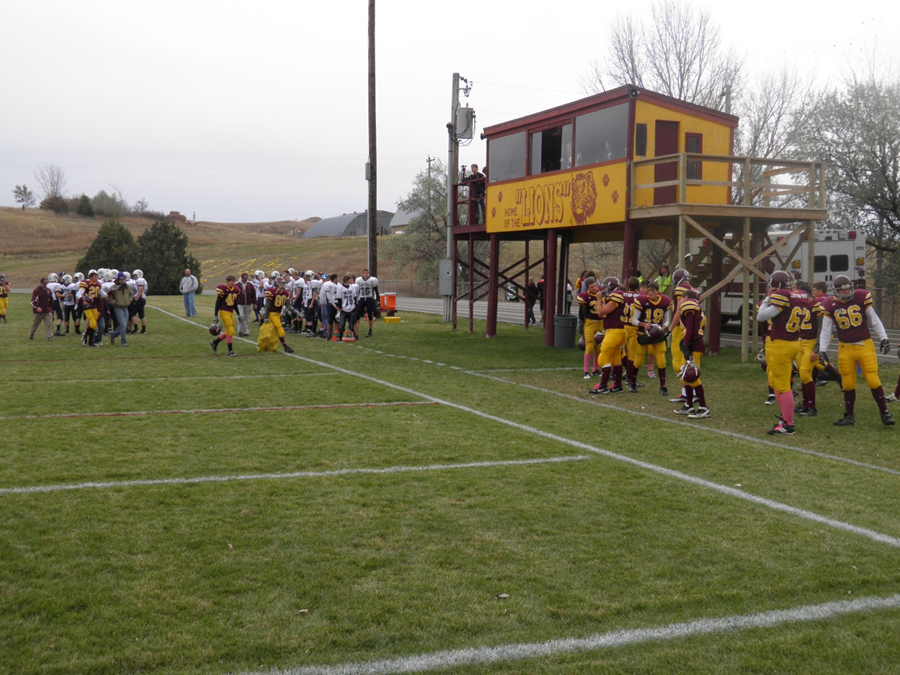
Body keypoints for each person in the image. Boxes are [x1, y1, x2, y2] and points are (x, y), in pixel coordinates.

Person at [817, 274, 894, 427]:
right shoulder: (830, 304)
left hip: (864, 345)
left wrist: (884, 338)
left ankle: (885, 412)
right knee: (847, 383)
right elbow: (826, 330)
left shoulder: (860, 297)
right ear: (835, 291)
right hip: (845, 348)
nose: (846, 292)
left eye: (848, 289)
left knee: (872, 379)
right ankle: (849, 416)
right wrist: (822, 350)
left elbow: (874, 320)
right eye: (842, 290)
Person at [756, 271, 804, 435]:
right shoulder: (797, 296)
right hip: (792, 342)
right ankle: (785, 418)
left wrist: (768, 298)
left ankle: (788, 424)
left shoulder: (781, 297)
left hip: (782, 344)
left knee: (783, 386)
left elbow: (761, 316)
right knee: (775, 381)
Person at [631, 281, 673, 396]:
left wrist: (664, 327)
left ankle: (663, 386)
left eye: (653, 291)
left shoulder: (665, 302)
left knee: (661, 360)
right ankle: (632, 382)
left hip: (657, 334)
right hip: (643, 333)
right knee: (639, 360)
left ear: (658, 292)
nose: (650, 293)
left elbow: (667, 319)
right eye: (649, 291)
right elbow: (633, 320)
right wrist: (644, 324)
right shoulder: (641, 301)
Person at [673, 289, 710, 418]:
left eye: (681, 298)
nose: (679, 301)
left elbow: (690, 328)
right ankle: (689, 405)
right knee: (685, 376)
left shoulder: (689, 305)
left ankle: (703, 407)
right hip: (695, 342)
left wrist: (686, 344)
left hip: (694, 344)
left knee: (692, 376)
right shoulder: (697, 307)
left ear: (686, 297)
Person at [589, 276, 627, 394]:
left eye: (606, 287)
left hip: (614, 332)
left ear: (611, 287)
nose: (604, 290)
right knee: (615, 360)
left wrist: (599, 299)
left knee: (603, 358)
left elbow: (600, 313)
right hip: (618, 331)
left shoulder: (616, 297)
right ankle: (618, 385)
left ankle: (603, 386)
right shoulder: (617, 296)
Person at [577, 277, 602, 379]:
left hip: (601, 323)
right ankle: (586, 371)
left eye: (595, 286)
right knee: (590, 346)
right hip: (590, 323)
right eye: (592, 287)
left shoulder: (601, 293)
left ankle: (595, 369)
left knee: (599, 347)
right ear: (587, 288)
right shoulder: (585, 296)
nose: (594, 288)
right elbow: (581, 312)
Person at [262, 276, 295, 353]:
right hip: (272, 314)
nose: (282, 285)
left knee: (270, 331)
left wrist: (296, 312)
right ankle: (285, 347)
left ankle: (263, 344)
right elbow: (268, 305)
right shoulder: (272, 291)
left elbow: (288, 305)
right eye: (280, 283)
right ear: (276, 284)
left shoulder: (284, 292)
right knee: (280, 329)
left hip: (278, 314)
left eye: (283, 283)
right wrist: (266, 316)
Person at [211, 275, 239, 356]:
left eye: (234, 281)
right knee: (231, 330)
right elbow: (218, 302)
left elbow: (235, 303)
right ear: (227, 281)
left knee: (228, 331)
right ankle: (230, 351)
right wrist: (215, 315)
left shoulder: (235, 290)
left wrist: (238, 314)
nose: (233, 283)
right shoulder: (223, 289)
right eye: (231, 281)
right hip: (224, 311)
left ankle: (215, 343)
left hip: (230, 312)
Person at [107, 272, 134, 347]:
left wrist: (130, 300)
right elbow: (109, 297)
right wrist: (115, 303)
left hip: (125, 307)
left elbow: (131, 294)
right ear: (118, 279)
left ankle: (113, 334)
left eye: (124, 279)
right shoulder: (114, 287)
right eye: (121, 279)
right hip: (118, 307)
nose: (122, 281)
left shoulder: (127, 287)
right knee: (123, 324)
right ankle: (123, 340)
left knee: (124, 324)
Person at [78, 270, 103, 347]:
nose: (96, 278)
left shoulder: (98, 285)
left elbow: (103, 294)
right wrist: (83, 301)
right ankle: (84, 338)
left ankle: (90, 342)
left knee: (93, 325)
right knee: (93, 324)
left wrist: (111, 291)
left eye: (97, 277)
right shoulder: (86, 284)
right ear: (90, 277)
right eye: (95, 277)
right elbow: (78, 294)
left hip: (94, 306)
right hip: (87, 307)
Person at [355, 268, 379, 337]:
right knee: (357, 315)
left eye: (367, 273)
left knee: (370, 315)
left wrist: (377, 300)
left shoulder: (372, 280)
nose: (366, 274)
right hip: (362, 298)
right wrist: (356, 299)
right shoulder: (359, 280)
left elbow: (375, 290)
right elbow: (357, 290)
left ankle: (370, 330)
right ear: (363, 273)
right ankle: (356, 330)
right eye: (365, 273)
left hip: (369, 298)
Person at [234, 272, 255, 337]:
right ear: (241, 278)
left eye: (246, 278)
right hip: (239, 303)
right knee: (241, 316)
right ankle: (240, 330)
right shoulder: (237, 284)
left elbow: (253, 294)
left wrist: (255, 303)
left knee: (246, 318)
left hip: (248, 303)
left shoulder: (250, 284)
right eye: (244, 278)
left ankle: (246, 331)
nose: (245, 280)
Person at [130, 269, 148, 334]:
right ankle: (143, 330)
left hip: (139, 298)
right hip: (142, 298)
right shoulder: (142, 280)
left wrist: (136, 299)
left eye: (135, 275)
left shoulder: (140, 280)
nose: (134, 276)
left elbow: (140, 290)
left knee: (132, 314)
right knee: (142, 315)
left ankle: (136, 329)